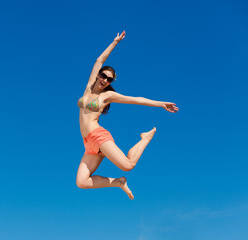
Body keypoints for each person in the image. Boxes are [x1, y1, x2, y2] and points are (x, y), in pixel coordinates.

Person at [76, 31, 179, 199]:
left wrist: (161, 104)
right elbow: (99, 60)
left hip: (98, 136)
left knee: (128, 164)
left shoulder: (107, 96)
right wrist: (115, 42)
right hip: (88, 143)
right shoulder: (88, 87)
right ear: (98, 75)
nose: (105, 81)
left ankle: (145, 138)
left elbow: (136, 100)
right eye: (103, 76)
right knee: (81, 182)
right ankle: (118, 182)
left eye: (109, 80)